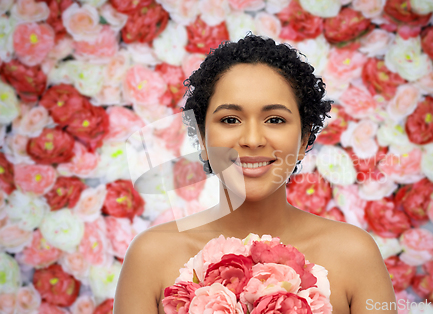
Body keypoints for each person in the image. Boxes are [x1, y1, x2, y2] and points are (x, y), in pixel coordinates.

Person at [114, 33, 397, 314]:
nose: (252, 139)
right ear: (201, 138)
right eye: (230, 119)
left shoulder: (354, 255)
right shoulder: (151, 256)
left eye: (275, 119)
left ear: (303, 139)